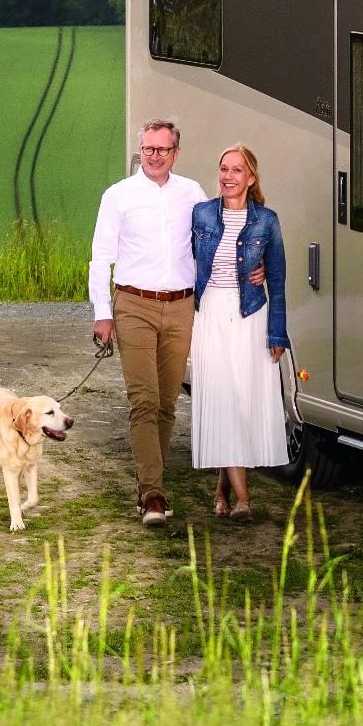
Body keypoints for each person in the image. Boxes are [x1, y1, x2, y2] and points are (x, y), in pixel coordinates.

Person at [91, 118, 208, 528]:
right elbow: (100, 257)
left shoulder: (192, 193)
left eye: (163, 149)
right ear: (139, 150)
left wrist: (253, 270)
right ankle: (153, 493)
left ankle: (149, 485)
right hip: (133, 306)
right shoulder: (118, 196)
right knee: (143, 400)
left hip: (180, 306)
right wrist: (102, 313)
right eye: (148, 149)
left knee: (167, 403)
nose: (155, 156)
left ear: (176, 152)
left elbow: (211, 244)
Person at [187, 143, 290, 519]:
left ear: (251, 178)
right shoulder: (201, 214)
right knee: (224, 399)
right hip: (211, 311)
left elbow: (277, 279)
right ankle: (244, 500)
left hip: (250, 315)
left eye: (236, 170)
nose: (228, 176)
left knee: (242, 404)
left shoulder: (266, 220)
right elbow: (187, 261)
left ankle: (220, 492)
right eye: (223, 169)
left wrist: (277, 333)